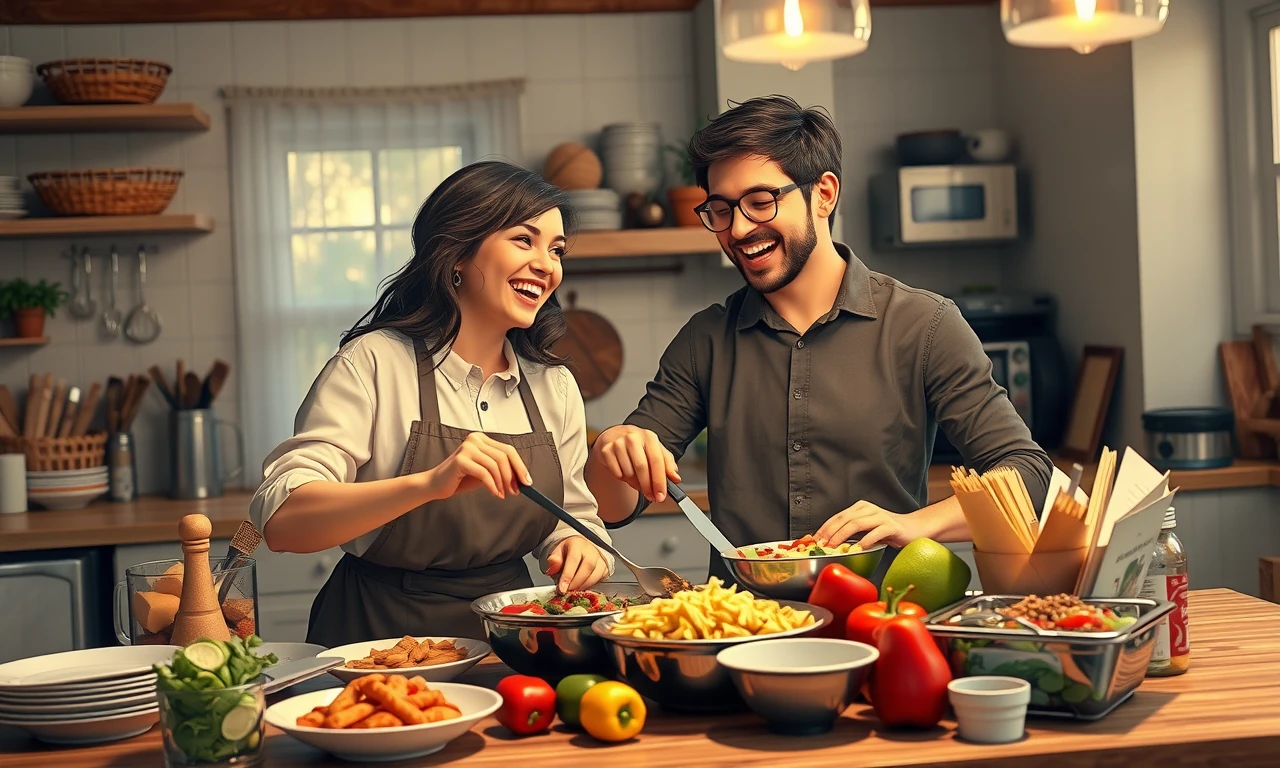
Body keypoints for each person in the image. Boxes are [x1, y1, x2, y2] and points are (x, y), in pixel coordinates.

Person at [586, 95, 1053, 583]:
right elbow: (616, 508)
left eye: (761, 201)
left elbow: (1028, 474)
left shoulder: (924, 325)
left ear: (824, 193)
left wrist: (914, 525)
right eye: (721, 210)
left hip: (882, 623)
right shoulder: (705, 339)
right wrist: (614, 450)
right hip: (743, 630)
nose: (739, 229)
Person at [250, 161, 614, 646]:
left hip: (509, 640)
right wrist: (429, 483)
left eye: (557, 249)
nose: (548, 265)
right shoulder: (374, 362)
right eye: (524, 240)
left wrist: (579, 546)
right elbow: (281, 523)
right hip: (375, 642)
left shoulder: (556, 386)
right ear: (458, 251)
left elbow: (575, 518)